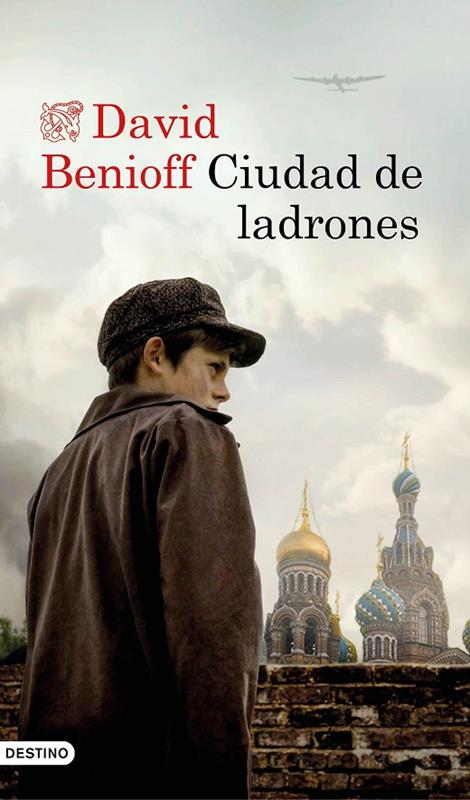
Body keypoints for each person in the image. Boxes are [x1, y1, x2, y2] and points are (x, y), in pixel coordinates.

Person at [18, 277, 266, 800]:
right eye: (214, 367)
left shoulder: (55, 476)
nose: (224, 390)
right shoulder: (187, 433)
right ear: (156, 356)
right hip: (151, 777)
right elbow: (212, 640)